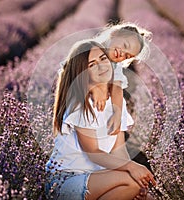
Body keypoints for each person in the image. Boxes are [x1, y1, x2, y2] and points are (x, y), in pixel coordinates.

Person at [45, 40, 156, 200]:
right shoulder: (81, 103)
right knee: (132, 182)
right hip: (66, 180)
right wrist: (132, 167)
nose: (101, 66)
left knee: (142, 193)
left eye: (103, 59)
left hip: (97, 177)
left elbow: (119, 151)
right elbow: (94, 154)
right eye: (92, 64)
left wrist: (133, 175)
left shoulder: (118, 103)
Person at [91, 22, 152, 135]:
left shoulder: (115, 66)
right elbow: (76, 76)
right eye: (125, 46)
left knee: (120, 105)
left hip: (100, 105)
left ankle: (114, 140)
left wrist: (117, 114)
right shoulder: (89, 49)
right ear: (114, 34)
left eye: (127, 56)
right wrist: (96, 88)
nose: (122, 54)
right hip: (80, 96)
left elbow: (117, 88)